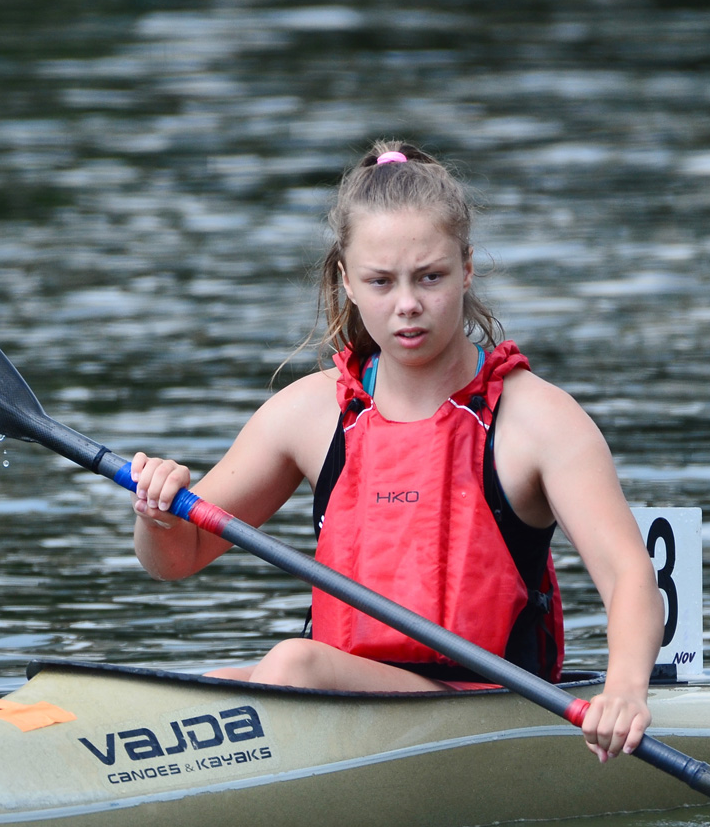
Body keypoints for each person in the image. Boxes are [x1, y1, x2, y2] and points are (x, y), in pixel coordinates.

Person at [129, 141, 664, 762]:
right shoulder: (310, 412)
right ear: (347, 281)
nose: (407, 304)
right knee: (174, 693)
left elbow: (630, 575)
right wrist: (158, 515)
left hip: (492, 707)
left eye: (430, 277)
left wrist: (625, 692)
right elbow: (177, 559)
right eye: (381, 282)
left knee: (292, 664)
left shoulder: (537, 419)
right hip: (343, 695)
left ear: (467, 268)